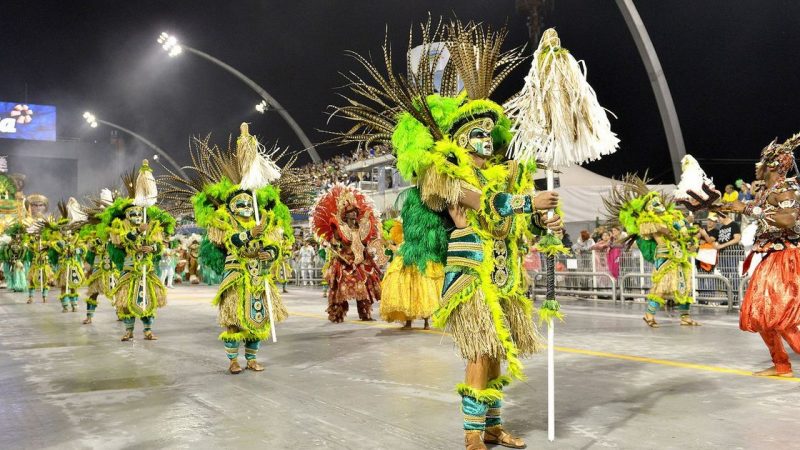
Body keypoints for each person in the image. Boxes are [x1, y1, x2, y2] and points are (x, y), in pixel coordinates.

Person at [329, 20, 563, 449]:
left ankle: (492, 425)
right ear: (459, 139)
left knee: (496, 354)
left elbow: (511, 222)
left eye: (491, 134)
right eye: (477, 133)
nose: (486, 141)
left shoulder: (503, 175)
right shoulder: (448, 177)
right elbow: (488, 206)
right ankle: (472, 434)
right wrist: (529, 202)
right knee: (479, 351)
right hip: (472, 275)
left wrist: (542, 221)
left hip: (505, 275)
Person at [158, 124, 294, 373]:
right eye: (238, 203)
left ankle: (251, 358)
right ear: (231, 207)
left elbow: (276, 245)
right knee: (233, 320)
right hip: (236, 276)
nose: (244, 206)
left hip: (258, 276)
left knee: (258, 319)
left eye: (246, 202)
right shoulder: (224, 222)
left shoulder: (264, 220)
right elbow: (230, 241)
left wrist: (269, 253)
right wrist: (250, 234)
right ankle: (233, 360)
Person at [726, 132, 800, 377]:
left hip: (788, 258)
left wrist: (749, 208)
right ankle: (781, 364)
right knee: (760, 313)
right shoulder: (766, 192)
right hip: (771, 258)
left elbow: (788, 220)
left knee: (781, 316)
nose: (758, 165)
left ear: (773, 166)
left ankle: (783, 364)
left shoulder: (786, 187)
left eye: (763, 161)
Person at [606, 175, 700, 327]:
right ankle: (649, 314)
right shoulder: (649, 221)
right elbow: (655, 230)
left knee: (684, 286)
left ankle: (685, 317)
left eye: (658, 202)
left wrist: (689, 235)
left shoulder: (673, 217)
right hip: (664, 256)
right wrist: (670, 229)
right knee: (663, 286)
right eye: (653, 203)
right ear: (648, 207)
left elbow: (684, 233)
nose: (658, 205)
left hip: (680, 255)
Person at [107, 161, 174, 341]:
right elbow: (122, 240)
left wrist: (151, 247)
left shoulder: (153, 226)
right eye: (133, 214)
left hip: (147, 269)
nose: (137, 217)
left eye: (139, 213)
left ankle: (148, 330)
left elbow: (160, 246)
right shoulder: (120, 228)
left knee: (148, 300)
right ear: (127, 216)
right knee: (126, 301)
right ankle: (128, 331)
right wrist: (138, 231)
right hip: (129, 270)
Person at [312, 184, 382, 322]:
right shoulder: (340, 229)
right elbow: (333, 243)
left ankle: (365, 314)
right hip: (344, 261)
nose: (354, 215)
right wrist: (330, 245)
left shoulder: (361, 228)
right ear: (346, 215)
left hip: (359, 261)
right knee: (340, 291)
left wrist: (368, 253)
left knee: (364, 287)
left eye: (355, 212)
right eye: (350, 213)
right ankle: (337, 314)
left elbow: (364, 243)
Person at [714, 212, 742, 303]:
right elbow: (720, 240)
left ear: (724, 216)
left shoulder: (734, 225)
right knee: (724, 275)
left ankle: (736, 296)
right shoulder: (721, 228)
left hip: (732, 253)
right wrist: (717, 244)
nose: (718, 220)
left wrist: (722, 246)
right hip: (723, 254)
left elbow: (737, 238)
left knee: (733, 274)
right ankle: (729, 297)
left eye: (718, 217)